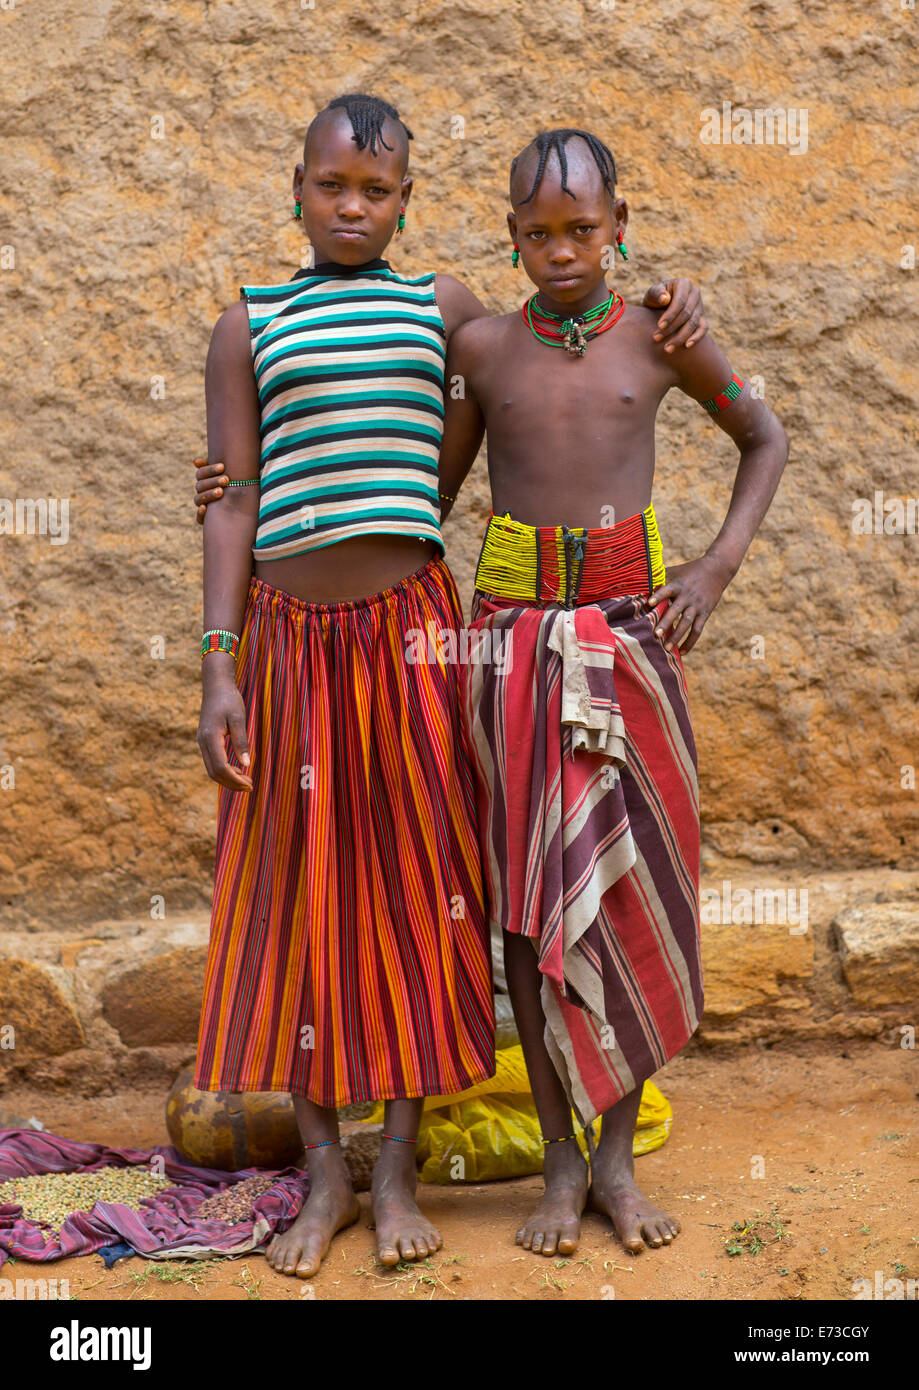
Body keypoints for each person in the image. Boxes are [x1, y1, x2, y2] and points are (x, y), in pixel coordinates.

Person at [192, 97, 711, 1279]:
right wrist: (219, 664)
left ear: (409, 201)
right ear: (297, 189)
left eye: (376, 191)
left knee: (426, 881)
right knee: (297, 887)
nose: (352, 208)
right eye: (332, 188)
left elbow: (551, 356)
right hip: (283, 639)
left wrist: (674, 304)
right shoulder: (247, 325)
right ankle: (324, 1172)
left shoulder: (447, 313)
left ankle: (396, 1168)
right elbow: (231, 499)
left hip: (420, 638)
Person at [436, 127, 789, 1259]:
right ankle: (554, 1162)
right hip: (509, 654)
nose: (560, 251)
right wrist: (252, 493)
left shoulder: (663, 331)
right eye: (536, 233)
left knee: (631, 890)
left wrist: (714, 567)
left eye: (581, 230)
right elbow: (417, 495)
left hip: (631, 641)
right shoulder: (484, 351)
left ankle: (619, 1168)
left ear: (620, 226)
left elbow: (763, 436)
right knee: (525, 904)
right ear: (510, 237)